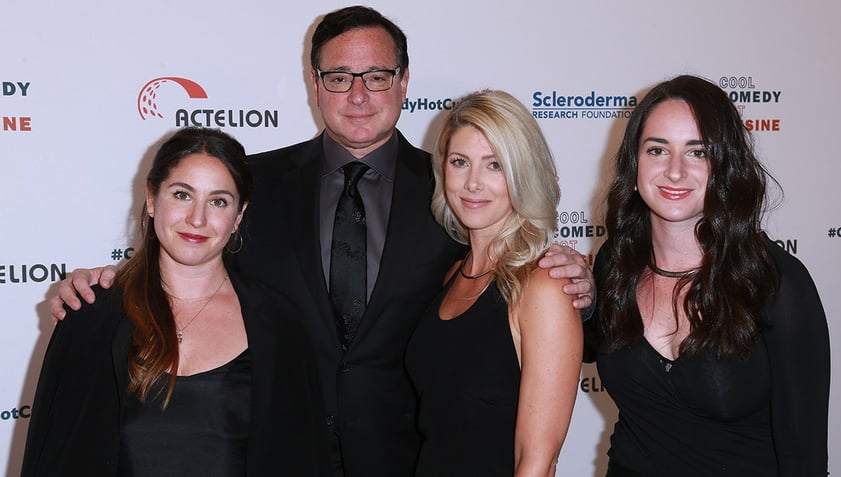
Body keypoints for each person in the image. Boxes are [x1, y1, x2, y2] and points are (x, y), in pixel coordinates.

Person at [48, 7, 595, 477]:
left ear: (404, 83)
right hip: (279, 450)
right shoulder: (248, 187)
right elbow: (191, 261)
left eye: (377, 76)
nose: (358, 94)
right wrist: (104, 285)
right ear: (314, 85)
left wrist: (579, 284)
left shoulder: (454, 192)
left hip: (409, 461)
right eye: (338, 77)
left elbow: (507, 312)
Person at [24, 127, 329, 476]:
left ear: (238, 217)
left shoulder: (280, 326)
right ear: (152, 200)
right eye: (182, 195)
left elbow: (302, 459)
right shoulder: (91, 315)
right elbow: (54, 459)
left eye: (218, 201)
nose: (197, 219)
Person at [584, 75, 830, 476]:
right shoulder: (617, 262)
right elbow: (586, 347)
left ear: (725, 164)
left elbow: (804, 459)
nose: (675, 171)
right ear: (635, 162)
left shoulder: (777, 282)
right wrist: (574, 296)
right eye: (657, 149)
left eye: (697, 152)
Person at [406, 90, 583, 476]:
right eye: (460, 162)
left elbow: (538, 460)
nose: (472, 183)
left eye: (494, 165)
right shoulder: (454, 275)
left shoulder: (543, 287)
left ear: (523, 172)